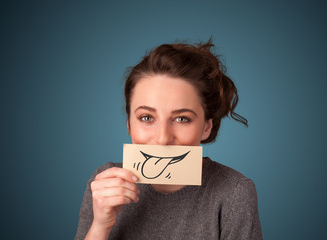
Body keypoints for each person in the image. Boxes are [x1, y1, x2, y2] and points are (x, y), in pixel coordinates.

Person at [75, 39, 263, 240]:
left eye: (182, 119)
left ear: (206, 127)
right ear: (129, 124)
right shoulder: (105, 182)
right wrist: (100, 226)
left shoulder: (234, 192)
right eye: (146, 118)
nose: (163, 138)